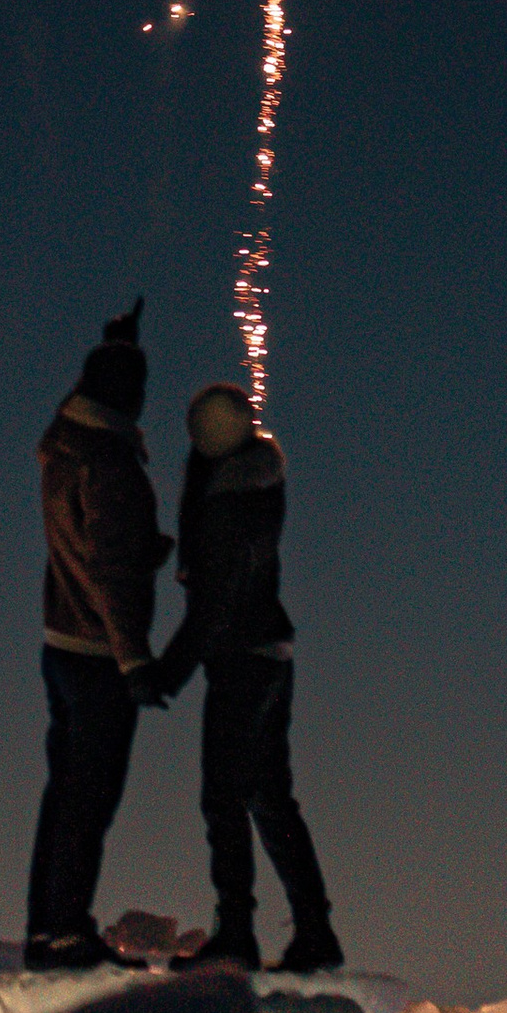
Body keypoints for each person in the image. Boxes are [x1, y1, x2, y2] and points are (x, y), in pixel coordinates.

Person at [154, 382, 343, 974]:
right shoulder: (248, 483)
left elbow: (215, 602)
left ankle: (237, 934)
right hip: (267, 655)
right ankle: (314, 932)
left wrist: (167, 673)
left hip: (241, 659)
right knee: (267, 796)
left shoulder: (231, 501)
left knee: (225, 796)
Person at [23, 298, 172, 971]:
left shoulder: (66, 440)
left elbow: (93, 550)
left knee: (63, 797)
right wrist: (135, 662)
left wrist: (115, 343)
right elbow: (110, 570)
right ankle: (66, 935)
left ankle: (45, 931)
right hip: (96, 656)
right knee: (90, 800)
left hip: (61, 645)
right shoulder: (110, 464)